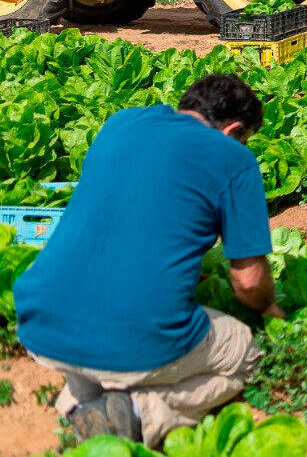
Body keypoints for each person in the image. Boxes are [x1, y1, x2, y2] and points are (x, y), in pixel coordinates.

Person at [14, 75, 278, 448]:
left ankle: (78, 402)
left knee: (106, 342)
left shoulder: (122, 122)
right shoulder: (233, 157)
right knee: (245, 354)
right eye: (244, 139)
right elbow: (249, 282)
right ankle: (140, 412)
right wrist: (271, 308)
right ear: (233, 130)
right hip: (134, 341)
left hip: (40, 324)